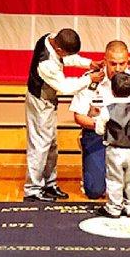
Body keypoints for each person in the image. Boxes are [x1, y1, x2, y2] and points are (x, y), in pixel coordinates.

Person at [24, 28, 104, 202]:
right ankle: (32, 190)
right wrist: (90, 79)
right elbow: (66, 88)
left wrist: (90, 63)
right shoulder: (45, 63)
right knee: (39, 145)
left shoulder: (51, 37)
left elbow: (68, 58)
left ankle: (49, 184)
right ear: (59, 50)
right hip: (40, 103)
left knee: (51, 145)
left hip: (49, 101)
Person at [70, 40, 130, 199]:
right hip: (97, 135)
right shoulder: (91, 79)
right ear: (105, 60)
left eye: (122, 63)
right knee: (94, 191)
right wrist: (104, 126)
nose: (118, 68)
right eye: (113, 64)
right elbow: (78, 116)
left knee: (125, 192)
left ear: (128, 61)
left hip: (126, 140)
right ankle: (92, 164)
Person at [93, 72, 130, 218]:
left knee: (114, 178)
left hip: (114, 149)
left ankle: (114, 207)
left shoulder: (107, 109)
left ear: (112, 90)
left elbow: (99, 129)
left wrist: (105, 133)